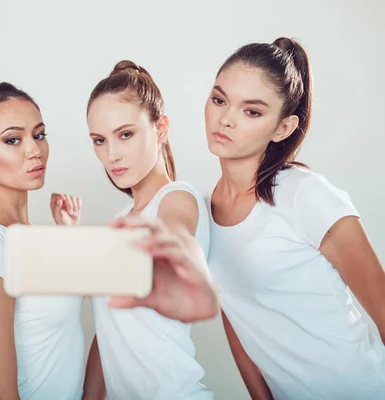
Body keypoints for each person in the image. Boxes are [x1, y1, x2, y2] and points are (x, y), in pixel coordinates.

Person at [206, 37, 385, 399]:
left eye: (251, 111)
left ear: (283, 128)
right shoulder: (204, 210)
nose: (225, 119)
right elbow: (236, 318)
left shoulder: (306, 195)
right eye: (219, 99)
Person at [82, 60, 219, 400]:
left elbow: (176, 234)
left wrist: (187, 263)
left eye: (125, 134)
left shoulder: (177, 197)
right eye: (99, 140)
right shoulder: (122, 219)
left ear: (160, 129)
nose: (111, 155)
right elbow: (110, 331)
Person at [0, 82, 85, 399]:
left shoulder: (28, 235)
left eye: (38, 135)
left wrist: (70, 240)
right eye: (13, 140)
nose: (34, 150)